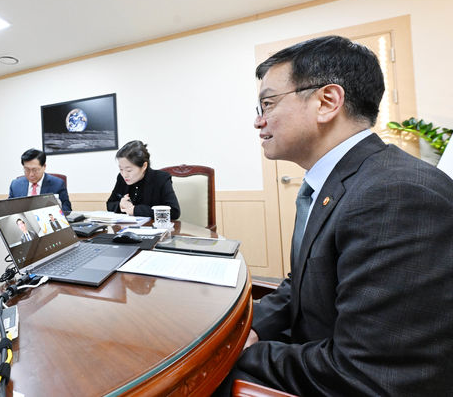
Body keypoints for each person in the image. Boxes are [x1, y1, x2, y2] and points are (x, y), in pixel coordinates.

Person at [214, 36, 453, 396]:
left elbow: (370, 372)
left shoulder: (396, 195)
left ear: (327, 102)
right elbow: (303, 282)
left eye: (267, 103)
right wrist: (253, 327)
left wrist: (244, 354)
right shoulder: (333, 183)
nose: (257, 121)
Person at [106, 140, 180, 220]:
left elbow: (174, 212)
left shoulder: (161, 178)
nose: (124, 175)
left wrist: (135, 210)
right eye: (121, 169)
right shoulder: (121, 178)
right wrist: (120, 205)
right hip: (126, 229)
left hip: (153, 229)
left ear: (144, 166)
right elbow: (110, 204)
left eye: (129, 170)